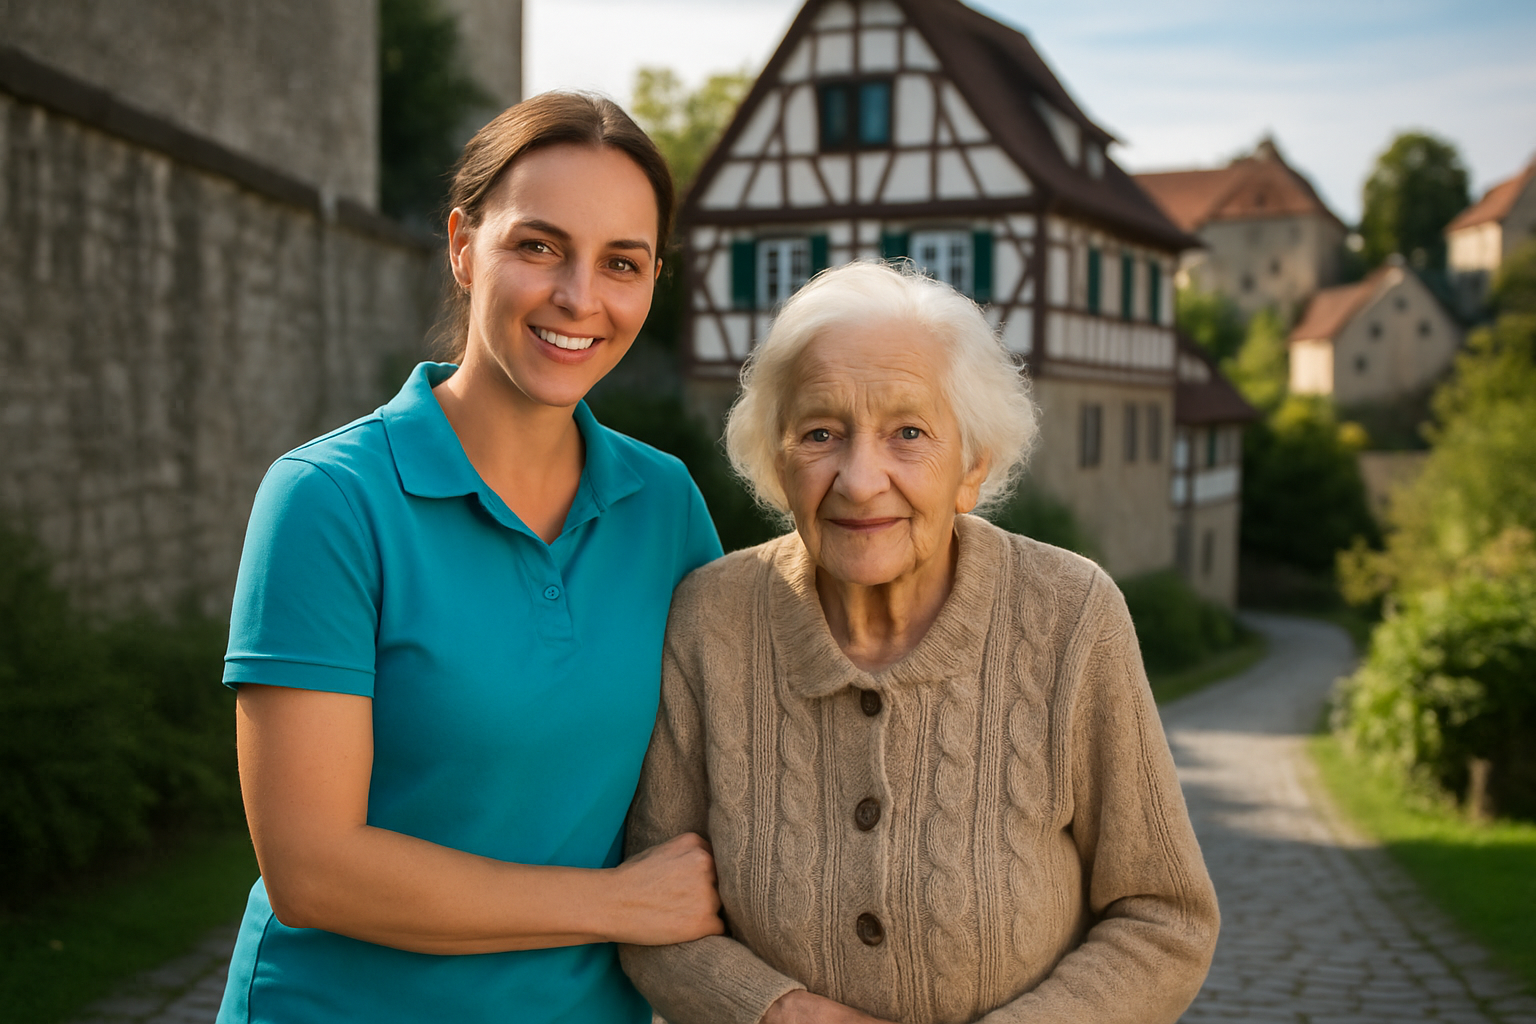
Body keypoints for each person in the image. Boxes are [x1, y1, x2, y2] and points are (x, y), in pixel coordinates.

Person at [216, 92, 725, 1024]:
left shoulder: (665, 506)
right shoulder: (329, 499)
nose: (579, 298)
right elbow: (312, 870)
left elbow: (736, 769)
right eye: (539, 246)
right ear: (462, 246)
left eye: (622, 263)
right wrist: (617, 905)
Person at [620, 261, 1220, 1024]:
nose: (860, 479)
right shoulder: (709, 621)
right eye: (820, 433)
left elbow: (1164, 917)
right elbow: (650, 915)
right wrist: (781, 1015)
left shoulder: (1071, 615)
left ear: (972, 465)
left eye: (908, 433)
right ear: (777, 462)